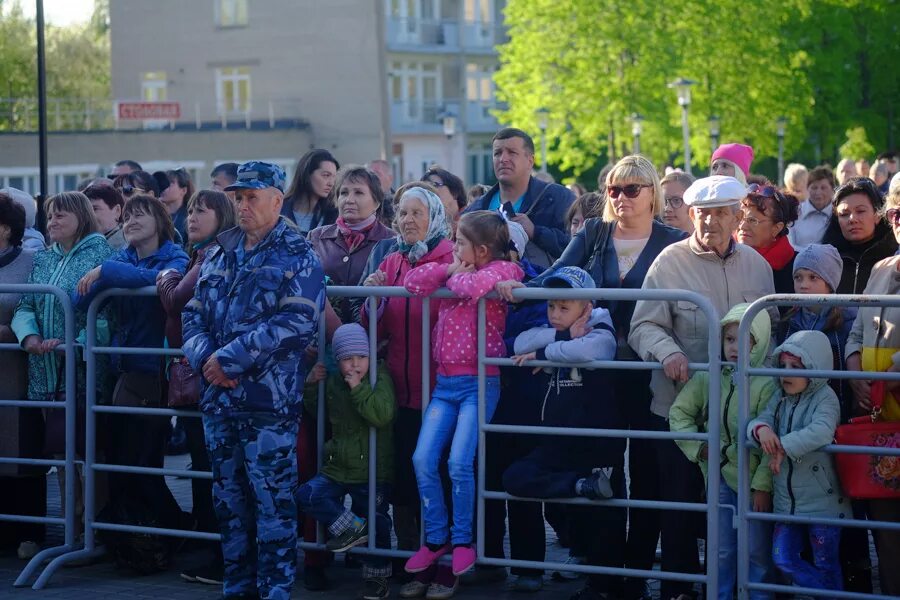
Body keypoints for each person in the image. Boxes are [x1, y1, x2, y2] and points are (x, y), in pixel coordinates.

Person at [497, 154, 688, 600]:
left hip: (646, 370)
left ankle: (636, 580)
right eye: (614, 189)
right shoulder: (594, 232)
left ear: (652, 194)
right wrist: (514, 283)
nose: (621, 197)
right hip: (595, 375)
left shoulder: (671, 240)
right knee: (601, 470)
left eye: (632, 189)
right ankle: (603, 578)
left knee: (646, 475)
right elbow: (553, 278)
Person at [181, 161, 325, 600]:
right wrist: (208, 359)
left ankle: (275, 589)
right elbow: (193, 314)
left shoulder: (298, 253)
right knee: (228, 502)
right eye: (238, 197)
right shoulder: (220, 251)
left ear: (277, 200)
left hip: (268, 404)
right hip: (218, 400)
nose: (242, 205)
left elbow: (298, 321)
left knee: (273, 505)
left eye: (251, 197)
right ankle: (237, 586)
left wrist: (230, 360)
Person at [628, 175, 776, 600]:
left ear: (736, 217)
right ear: (690, 215)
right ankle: (678, 590)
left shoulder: (758, 266)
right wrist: (668, 352)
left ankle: (731, 589)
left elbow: (771, 332)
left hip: (739, 420)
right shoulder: (668, 262)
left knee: (732, 513)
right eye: (701, 213)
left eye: (719, 214)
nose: (709, 221)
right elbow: (643, 325)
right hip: (679, 410)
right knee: (680, 507)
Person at [403, 211, 523, 577]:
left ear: (483, 250)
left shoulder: (505, 271)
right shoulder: (460, 269)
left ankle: (462, 540)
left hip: (479, 384)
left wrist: (457, 275)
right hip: (445, 384)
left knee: (458, 463)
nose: (453, 249)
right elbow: (413, 281)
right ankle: (435, 538)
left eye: (459, 243)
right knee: (423, 459)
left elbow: (468, 288)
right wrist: (451, 270)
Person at [73, 194, 190, 550]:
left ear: (161, 221)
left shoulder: (175, 255)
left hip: (154, 372)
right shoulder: (120, 256)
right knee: (128, 461)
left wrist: (108, 275)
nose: (132, 221)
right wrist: (111, 273)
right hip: (122, 370)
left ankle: (177, 530)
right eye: (128, 216)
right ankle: (155, 533)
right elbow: (78, 298)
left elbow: (165, 283)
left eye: (141, 215)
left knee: (138, 460)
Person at [504, 266, 624, 595]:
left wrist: (548, 354)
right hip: (557, 445)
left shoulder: (601, 327)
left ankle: (605, 585)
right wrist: (563, 337)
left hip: (597, 443)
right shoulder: (556, 329)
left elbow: (594, 350)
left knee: (605, 518)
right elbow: (520, 343)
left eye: (564, 308)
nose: (555, 314)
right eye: (551, 306)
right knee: (514, 477)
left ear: (586, 308)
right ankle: (580, 486)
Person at [12, 192, 114, 543]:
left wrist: (77, 343)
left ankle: (94, 530)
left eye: (60, 216)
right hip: (44, 371)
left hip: (83, 372)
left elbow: (105, 312)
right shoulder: (42, 258)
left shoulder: (100, 254)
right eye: (49, 216)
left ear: (81, 217)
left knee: (88, 452)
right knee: (60, 453)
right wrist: (30, 337)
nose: (52, 222)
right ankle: (71, 526)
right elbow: (26, 305)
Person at [360, 187, 453, 556]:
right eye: (402, 213)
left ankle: (440, 552)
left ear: (435, 218)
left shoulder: (449, 258)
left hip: (441, 390)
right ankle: (408, 553)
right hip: (397, 390)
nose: (408, 220)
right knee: (402, 476)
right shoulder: (391, 261)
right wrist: (372, 298)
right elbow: (373, 328)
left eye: (417, 213)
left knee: (436, 474)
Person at [669, 304, 777, 600]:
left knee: (756, 550)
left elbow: (774, 440)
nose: (735, 347)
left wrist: (762, 485)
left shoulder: (770, 382)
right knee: (721, 548)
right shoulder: (709, 376)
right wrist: (699, 446)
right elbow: (679, 414)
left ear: (761, 342)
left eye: (746, 340)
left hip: (754, 480)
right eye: (729, 339)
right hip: (719, 477)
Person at [156, 190, 236, 586]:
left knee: (211, 467)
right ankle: (209, 545)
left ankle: (219, 552)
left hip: (206, 373)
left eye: (201, 210)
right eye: (189, 211)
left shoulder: (210, 256)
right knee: (204, 466)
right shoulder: (199, 253)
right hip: (193, 372)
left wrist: (165, 275)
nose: (191, 217)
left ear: (221, 217)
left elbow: (175, 300)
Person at [297, 323, 395, 600]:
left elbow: (382, 415)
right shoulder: (335, 381)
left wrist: (359, 388)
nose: (355, 365)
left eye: (361, 358)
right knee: (307, 495)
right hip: (338, 465)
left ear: (370, 357)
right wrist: (312, 386)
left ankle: (378, 577)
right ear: (336, 360)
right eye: (347, 359)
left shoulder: (379, 377)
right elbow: (320, 413)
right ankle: (352, 529)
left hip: (372, 467)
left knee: (376, 521)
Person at [748, 330, 846, 594]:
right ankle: (828, 592)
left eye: (796, 367)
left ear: (815, 369)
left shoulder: (826, 398)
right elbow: (759, 419)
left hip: (821, 503)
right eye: (783, 366)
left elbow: (823, 430)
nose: (786, 373)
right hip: (786, 503)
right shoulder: (779, 397)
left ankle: (830, 594)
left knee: (826, 562)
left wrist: (782, 446)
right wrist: (761, 431)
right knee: (783, 558)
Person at [844, 184, 900, 595]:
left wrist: (888, 374)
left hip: (891, 394)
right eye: (897, 213)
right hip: (879, 417)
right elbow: (857, 329)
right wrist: (854, 371)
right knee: (884, 519)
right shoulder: (881, 269)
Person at [0, 194, 44, 559]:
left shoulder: (32, 262)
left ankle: (28, 532)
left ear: (4, 229)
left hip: (18, 371)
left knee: (22, 448)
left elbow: (39, 311)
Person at [466, 128, 575, 269]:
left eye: (512, 152)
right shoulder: (476, 210)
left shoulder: (558, 198)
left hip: (541, 288)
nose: (503, 159)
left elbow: (577, 246)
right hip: (487, 289)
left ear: (530, 161)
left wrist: (536, 232)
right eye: (497, 153)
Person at [308, 166, 395, 323]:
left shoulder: (392, 241)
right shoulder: (316, 237)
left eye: (359, 193)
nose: (349, 200)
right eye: (344, 193)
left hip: (373, 337)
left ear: (376, 202)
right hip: (322, 336)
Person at [821, 177, 897, 294]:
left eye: (860, 211)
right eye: (844, 214)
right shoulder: (826, 259)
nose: (852, 219)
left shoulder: (894, 258)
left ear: (878, 215)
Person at [737, 184, 799, 293]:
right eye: (741, 218)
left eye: (752, 220)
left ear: (776, 228)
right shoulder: (723, 256)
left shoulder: (798, 269)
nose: (742, 226)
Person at [282, 149, 340, 236]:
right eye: (326, 175)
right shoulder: (278, 210)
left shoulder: (334, 216)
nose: (331, 183)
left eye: (333, 177)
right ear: (307, 174)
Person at [788, 166, 835, 252]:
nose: (818, 192)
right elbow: (790, 245)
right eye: (814, 188)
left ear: (832, 190)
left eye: (823, 188)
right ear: (807, 189)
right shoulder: (795, 213)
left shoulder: (838, 214)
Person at [424, 165, 467, 238]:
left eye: (435, 185)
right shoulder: (426, 230)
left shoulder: (471, 225)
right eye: (424, 188)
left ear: (454, 192)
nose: (429, 191)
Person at [83, 183, 126, 249]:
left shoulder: (128, 247)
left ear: (117, 211)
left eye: (95, 209)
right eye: (85, 211)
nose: (88, 216)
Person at [161, 168, 194, 243]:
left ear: (183, 190)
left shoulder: (190, 217)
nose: (164, 187)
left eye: (169, 183)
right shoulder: (156, 214)